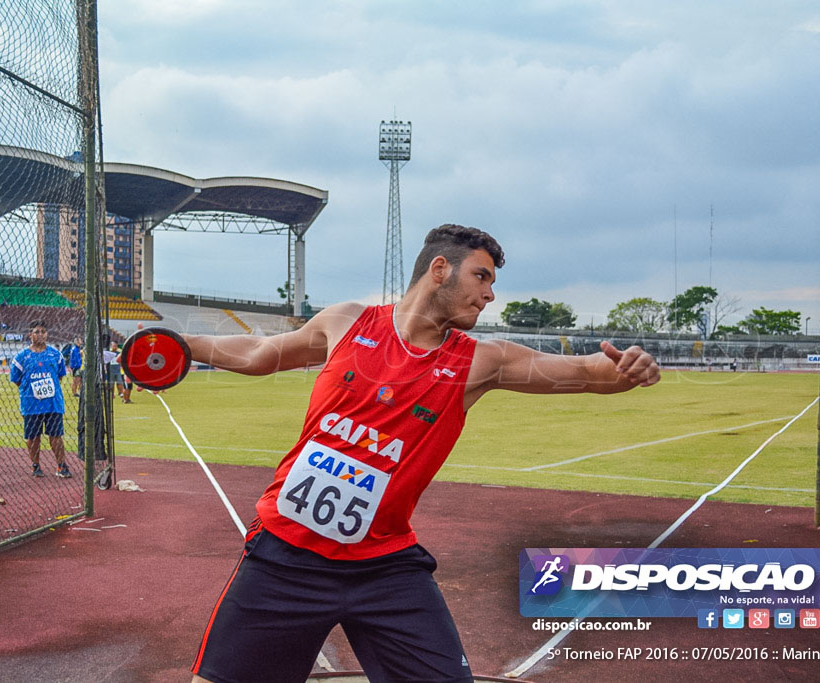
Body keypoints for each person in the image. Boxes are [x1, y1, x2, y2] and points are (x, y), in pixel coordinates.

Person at [181, 224, 660, 683]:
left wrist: (628, 367)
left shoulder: (479, 361)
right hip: (285, 554)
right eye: (481, 276)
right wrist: (179, 344)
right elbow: (259, 353)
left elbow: (585, 372)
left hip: (385, 567)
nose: (490, 293)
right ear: (439, 269)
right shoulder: (346, 322)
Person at [10, 320, 72, 479]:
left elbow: (59, 376)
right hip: (31, 405)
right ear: (30, 334)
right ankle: (36, 465)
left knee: (56, 436)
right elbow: (16, 379)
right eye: (36, 331)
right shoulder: (21, 357)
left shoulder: (55, 354)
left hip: (52, 404)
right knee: (33, 437)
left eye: (43, 331)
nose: (40, 334)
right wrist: (30, 391)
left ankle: (61, 465)